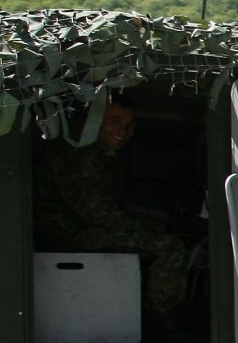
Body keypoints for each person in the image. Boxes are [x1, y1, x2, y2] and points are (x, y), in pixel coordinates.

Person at [34, 98, 193, 326]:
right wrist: (148, 229)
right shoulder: (82, 154)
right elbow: (98, 212)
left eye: (129, 125)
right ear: (97, 121)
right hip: (67, 233)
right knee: (169, 247)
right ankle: (162, 325)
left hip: (81, 228)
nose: (123, 131)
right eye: (115, 121)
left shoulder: (104, 155)